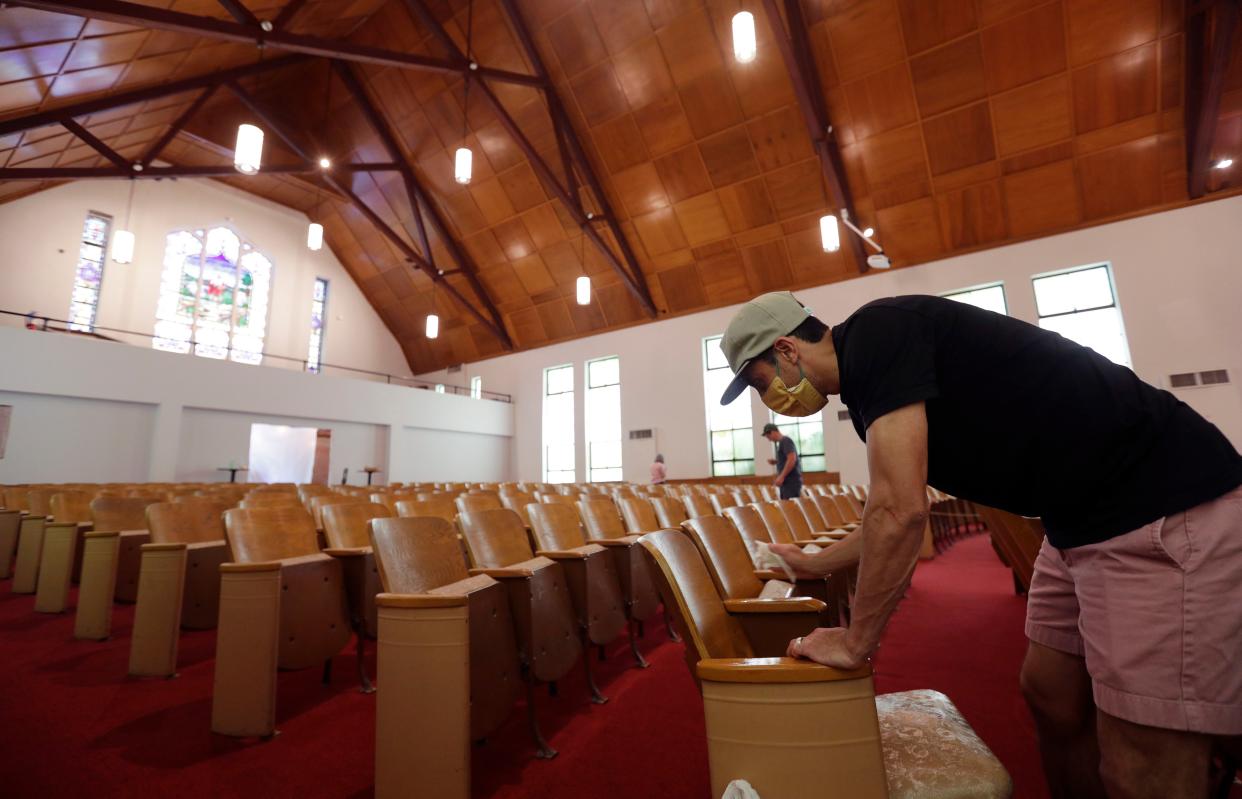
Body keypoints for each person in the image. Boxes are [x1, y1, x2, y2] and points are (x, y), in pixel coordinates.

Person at [718, 290, 1242, 798]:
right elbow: (892, 509)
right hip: (1078, 521)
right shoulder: (868, 385)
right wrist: (813, 562)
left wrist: (857, 642)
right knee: (1052, 696)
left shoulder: (879, 334)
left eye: (761, 383)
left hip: (1158, 504)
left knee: (1143, 763)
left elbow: (901, 512)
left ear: (786, 349)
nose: (770, 401)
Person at [763, 422, 801, 498]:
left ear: (773, 432)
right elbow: (788, 459)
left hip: (790, 482)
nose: (769, 439)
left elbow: (792, 459)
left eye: (768, 436)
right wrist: (777, 461)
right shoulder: (782, 443)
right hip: (787, 482)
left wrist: (781, 476)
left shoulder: (785, 441)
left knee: (789, 508)